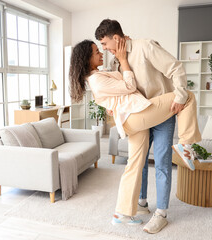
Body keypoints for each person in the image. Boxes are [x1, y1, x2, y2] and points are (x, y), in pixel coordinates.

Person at [69, 39, 201, 233]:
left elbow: (117, 95)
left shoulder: (99, 74)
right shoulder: (96, 79)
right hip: (137, 116)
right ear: (86, 58)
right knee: (186, 95)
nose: (101, 52)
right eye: (97, 51)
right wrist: (123, 59)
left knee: (135, 163)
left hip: (132, 117)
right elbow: (130, 86)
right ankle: (186, 144)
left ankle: (122, 213)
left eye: (102, 47)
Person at [95, 19, 188, 233]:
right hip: (139, 115)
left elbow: (175, 67)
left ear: (116, 38)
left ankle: (161, 213)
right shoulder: (114, 63)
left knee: (162, 162)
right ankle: (142, 203)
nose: (104, 50)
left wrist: (181, 96)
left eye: (105, 44)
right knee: (139, 161)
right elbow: (120, 89)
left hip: (162, 113)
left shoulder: (145, 47)